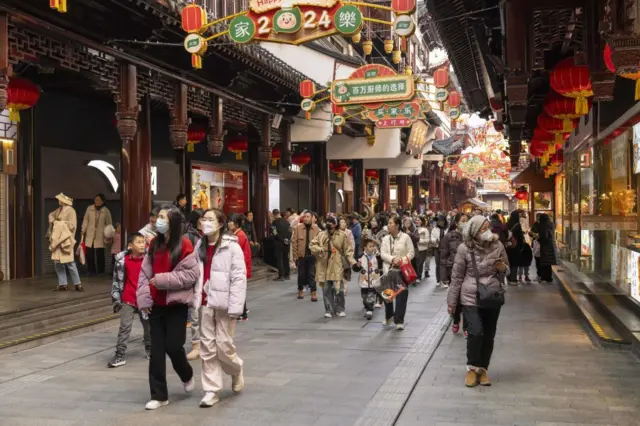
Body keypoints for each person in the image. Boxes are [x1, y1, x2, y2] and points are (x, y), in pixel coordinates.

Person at [136, 206, 199, 410]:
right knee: (156, 351)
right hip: (156, 306)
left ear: (172, 221)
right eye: (157, 217)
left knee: (174, 346)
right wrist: (144, 299)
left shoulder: (185, 245)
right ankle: (159, 395)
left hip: (176, 305)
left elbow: (191, 275)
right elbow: (145, 273)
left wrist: (162, 280)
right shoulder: (154, 243)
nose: (157, 220)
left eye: (162, 217)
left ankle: (186, 374)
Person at [446, 215, 509, 387]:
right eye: (483, 228)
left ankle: (483, 369)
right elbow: (457, 277)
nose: (487, 231)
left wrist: (502, 268)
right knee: (475, 332)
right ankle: (472, 368)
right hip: (470, 296)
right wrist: (452, 301)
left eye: (488, 227)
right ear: (474, 231)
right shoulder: (464, 248)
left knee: (489, 334)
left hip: (492, 295)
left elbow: (506, 270)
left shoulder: (498, 245)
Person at [193, 208, 247, 407]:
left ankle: (236, 368)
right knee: (207, 347)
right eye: (203, 219)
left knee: (224, 345)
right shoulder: (199, 245)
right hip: (205, 302)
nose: (205, 222)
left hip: (224, 304)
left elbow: (239, 278)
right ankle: (211, 389)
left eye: (210, 219)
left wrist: (236, 306)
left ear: (220, 223)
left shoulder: (231, 246)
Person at [108, 233, 151, 367]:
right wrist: (116, 297)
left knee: (149, 327)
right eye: (138, 242)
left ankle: (151, 350)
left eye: (143, 242)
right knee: (124, 327)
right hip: (128, 298)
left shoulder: (149, 260)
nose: (142, 244)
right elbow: (116, 279)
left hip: (144, 299)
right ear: (130, 246)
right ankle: (119, 354)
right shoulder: (122, 260)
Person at [309, 216, 355, 318]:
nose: (329, 224)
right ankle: (328, 309)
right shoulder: (321, 235)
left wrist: (353, 262)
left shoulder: (342, 235)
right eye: (327, 222)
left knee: (338, 288)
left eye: (331, 222)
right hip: (323, 265)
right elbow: (312, 245)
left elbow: (348, 250)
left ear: (335, 224)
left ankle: (340, 309)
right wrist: (320, 249)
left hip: (337, 264)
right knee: (326, 289)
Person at [380, 216, 415, 330]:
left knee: (401, 296)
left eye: (391, 223)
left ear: (397, 225)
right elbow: (382, 254)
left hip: (402, 271)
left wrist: (402, 260)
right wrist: (392, 259)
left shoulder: (406, 237)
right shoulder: (385, 239)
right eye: (388, 223)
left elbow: (411, 252)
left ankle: (399, 320)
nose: (388, 225)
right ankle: (389, 316)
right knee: (388, 295)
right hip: (388, 270)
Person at [439, 213, 469, 334]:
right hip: (453, 270)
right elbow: (443, 257)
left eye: (467, 221)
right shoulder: (448, 237)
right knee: (456, 297)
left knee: (468, 299)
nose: (465, 223)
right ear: (456, 223)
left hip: (468, 271)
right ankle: (456, 320)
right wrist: (443, 276)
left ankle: (467, 325)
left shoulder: (471, 236)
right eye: (463, 221)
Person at [48, 193, 83, 292]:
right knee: (58, 263)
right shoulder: (59, 210)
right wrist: (54, 221)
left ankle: (77, 283)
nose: (58, 200)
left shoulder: (71, 211)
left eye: (60, 199)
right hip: (58, 238)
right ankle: (62, 283)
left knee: (70, 262)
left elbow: (72, 225)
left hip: (66, 238)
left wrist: (59, 223)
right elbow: (51, 215)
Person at [185, 209, 205, 360]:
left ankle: (208, 344)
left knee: (208, 315)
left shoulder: (211, 235)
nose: (204, 221)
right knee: (195, 315)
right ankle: (196, 345)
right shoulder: (189, 236)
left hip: (209, 280)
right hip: (195, 280)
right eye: (202, 218)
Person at [81, 193, 113, 275]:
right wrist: (83, 229)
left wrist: (109, 234)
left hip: (100, 235)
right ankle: (91, 271)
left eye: (99, 200)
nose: (97, 201)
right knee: (89, 254)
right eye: (96, 199)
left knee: (100, 254)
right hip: (90, 234)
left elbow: (109, 224)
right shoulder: (89, 208)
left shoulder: (106, 211)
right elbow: (86, 220)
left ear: (102, 201)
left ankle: (101, 271)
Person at [227, 213, 252, 321]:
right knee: (238, 289)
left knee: (237, 290)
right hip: (241, 267)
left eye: (231, 222)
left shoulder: (239, 236)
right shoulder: (237, 234)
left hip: (240, 267)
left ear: (237, 223)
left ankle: (242, 313)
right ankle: (243, 312)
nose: (229, 224)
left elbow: (242, 254)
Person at [292, 211, 320, 301]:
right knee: (301, 274)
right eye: (305, 217)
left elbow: (320, 243)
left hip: (312, 255)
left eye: (308, 217)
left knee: (311, 275)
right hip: (301, 256)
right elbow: (294, 242)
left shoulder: (316, 229)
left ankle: (313, 293)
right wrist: (294, 255)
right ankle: (300, 290)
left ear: (312, 218)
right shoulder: (298, 228)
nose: (306, 218)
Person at [357, 239, 381, 320]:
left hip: (373, 278)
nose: (372, 248)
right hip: (364, 279)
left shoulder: (376, 255)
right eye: (370, 246)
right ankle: (367, 306)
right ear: (365, 248)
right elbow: (356, 267)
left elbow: (380, 263)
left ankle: (369, 310)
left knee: (371, 294)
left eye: (373, 246)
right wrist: (357, 266)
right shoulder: (361, 256)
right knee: (364, 296)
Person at [270, 209, 291, 281]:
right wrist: (287, 239)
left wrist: (282, 239)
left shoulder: (274, 223)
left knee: (279, 259)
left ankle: (281, 275)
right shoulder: (287, 222)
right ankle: (287, 274)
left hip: (278, 243)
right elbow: (290, 231)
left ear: (273, 214)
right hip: (287, 243)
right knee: (286, 258)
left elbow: (275, 233)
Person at [505, 211, 525, 285]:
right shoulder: (517, 225)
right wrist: (522, 246)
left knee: (509, 262)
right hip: (516, 247)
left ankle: (509, 279)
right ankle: (513, 279)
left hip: (508, 246)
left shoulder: (507, 224)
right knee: (514, 263)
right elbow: (520, 237)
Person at [537, 213, 557, 283]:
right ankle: (549, 277)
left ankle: (544, 278)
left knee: (544, 262)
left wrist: (538, 238)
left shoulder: (544, 225)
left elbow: (544, 237)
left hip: (545, 246)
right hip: (550, 245)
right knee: (548, 263)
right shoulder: (550, 224)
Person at [431, 214, 447, 287]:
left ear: (444, 221)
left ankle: (444, 280)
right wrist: (435, 240)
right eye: (437, 221)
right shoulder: (434, 229)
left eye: (440, 221)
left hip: (445, 249)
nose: (438, 222)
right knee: (437, 265)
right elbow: (432, 238)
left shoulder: (447, 229)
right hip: (437, 248)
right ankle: (438, 279)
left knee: (443, 265)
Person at [340, 217, 355, 282]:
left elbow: (352, 243)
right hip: (338, 254)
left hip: (347, 253)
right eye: (341, 222)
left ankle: (344, 287)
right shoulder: (336, 232)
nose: (343, 224)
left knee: (346, 272)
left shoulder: (349, 232)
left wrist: (351, 252)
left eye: (344, 222)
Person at [529, 213, 542, 280]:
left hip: (542, 244)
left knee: (541, 260)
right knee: (537, 259)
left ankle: (541, 275)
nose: (538, 219)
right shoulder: (535, 224)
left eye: (539, 217)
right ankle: (539, 275)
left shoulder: (543, 225)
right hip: (536, 243)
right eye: (537, 217)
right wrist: (532, 234)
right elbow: (530, 233)